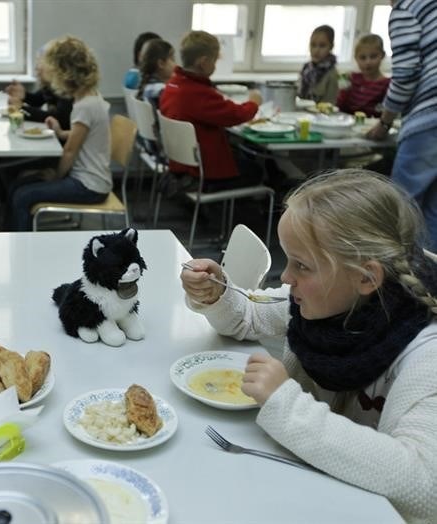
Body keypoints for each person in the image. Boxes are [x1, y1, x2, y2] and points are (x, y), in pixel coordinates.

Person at [180, 169, 437, 523]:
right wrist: (218, 294)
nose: (286, 277)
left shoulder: (426, 355)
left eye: (301, 265)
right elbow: (249, 316)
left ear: (366, 277)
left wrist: (286, 405)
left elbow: (424, 487)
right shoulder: (327, 301)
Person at [5, 36, 111, 231]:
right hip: (89, 180)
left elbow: (70, 151)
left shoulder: (84, 106)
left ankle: (20, 247)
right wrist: (61, 132)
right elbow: (81, 137)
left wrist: (55, 176)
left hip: (88, 185)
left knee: (22, 195)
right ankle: (13, 236)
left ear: (64, 73)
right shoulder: (90, 98)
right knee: (18, 187)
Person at [367, 0, 437, 250]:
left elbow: (406, 75)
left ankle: (403, 283)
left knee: (402, 209)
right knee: (433, 212)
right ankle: (427, 283)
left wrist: (384, 122)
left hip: (430, 117)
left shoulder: (406, 8)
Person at [159, 31, 263, 187]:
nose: (215, 65)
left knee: (241, 155)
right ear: (203, 62)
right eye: (215, 61)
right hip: (203, 171)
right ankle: (230, 209)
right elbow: (236, 115)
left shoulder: (173, 85)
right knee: (257, 170)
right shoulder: (197, 93)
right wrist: (254, 103)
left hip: (181, 165)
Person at [4, 46, 73, 131]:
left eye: (40, 63)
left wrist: (22, 109)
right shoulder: (51, 85)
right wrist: (25, 95)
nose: (36, 68)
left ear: (54, 66)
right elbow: (38, 100)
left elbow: (59, 119)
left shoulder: (67, 89)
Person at [135, 38, 176, 161]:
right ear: (161, 64)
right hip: (165, 153)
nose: (176, 64)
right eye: (173, 59)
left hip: (151, 149)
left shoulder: (148, 86)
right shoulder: (161, 91)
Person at [336, 34, 390, 117]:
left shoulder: (387, 84)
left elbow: (385, 113)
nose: (368, 62)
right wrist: (344, 90)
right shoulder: (352, 78)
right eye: (362, 58)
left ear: (382, 55)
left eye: (373, 56)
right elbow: (340, 107)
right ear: (356, 58)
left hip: (371, 126)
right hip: (348, 122)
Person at [298, 25, 339, 103]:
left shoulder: (331, 73)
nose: (316, 50)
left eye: (322, 46)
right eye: (313, 45)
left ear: (331, 47)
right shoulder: (306, 68)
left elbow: (329, 104)